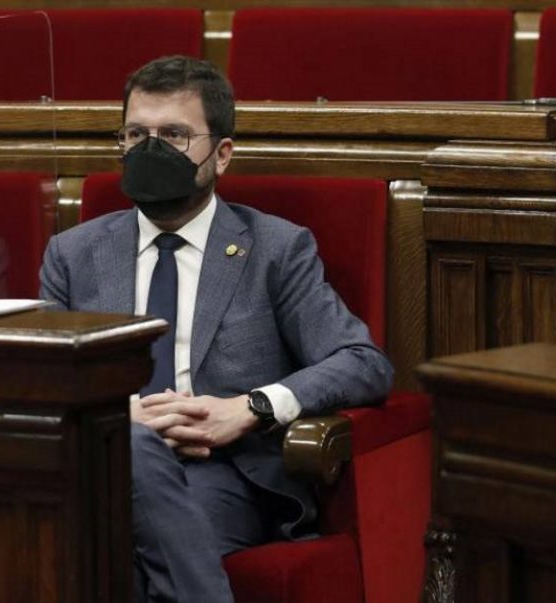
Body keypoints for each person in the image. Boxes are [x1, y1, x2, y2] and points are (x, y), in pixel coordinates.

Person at [39, 55, 393, 603]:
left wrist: (249, 408)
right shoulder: (74, 253)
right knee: (124, 471)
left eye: (174, 135)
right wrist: (114, 417)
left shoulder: (276, 248)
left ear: (221, 153)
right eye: (137, 133)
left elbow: (362, 361)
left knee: (109, 548)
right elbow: (43, 376)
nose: (150, 150)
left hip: (226, 473)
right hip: (101, 469)